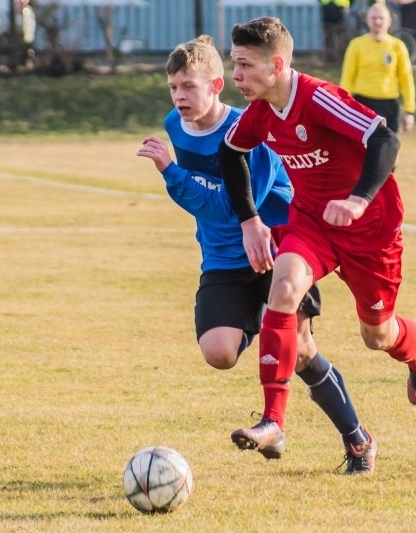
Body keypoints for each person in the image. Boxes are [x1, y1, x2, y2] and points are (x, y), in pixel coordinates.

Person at [137, 35, 376, 475]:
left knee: (300, 351)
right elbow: (210, 205)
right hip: (223, 259)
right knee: (219, 352)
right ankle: (268, 345)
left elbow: (233, 206)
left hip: (281, 249)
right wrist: (175, 174)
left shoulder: (251, 130)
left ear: (216, 85)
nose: (180, 97)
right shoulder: (175, 126)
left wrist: (171, 173)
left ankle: (357, 440)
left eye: (189, 86)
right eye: (173, 88)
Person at [218, 17, 416, 472]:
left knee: (378, 335)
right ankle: (273, 420)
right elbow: (231, 153)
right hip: (312, 224)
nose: (236, 76)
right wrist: (250, 221)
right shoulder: (261, 111)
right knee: (283, 289)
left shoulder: (319, 99)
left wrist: (357, 200)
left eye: (244, 66)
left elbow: (384, 138)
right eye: (233, 64)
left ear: (276, 65)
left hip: (369, 231)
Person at [340, 2, 416, 134]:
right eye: (374, 18)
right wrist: (342, 107)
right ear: (367, 20)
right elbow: (347, 77)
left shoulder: (398, 46)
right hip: (362, 104)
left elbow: (406, 78)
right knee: (362, 149)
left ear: (389, 21)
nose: (378, 21)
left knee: (389, 149)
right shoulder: (356, 45)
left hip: (389, 104)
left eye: (381, 18)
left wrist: (409, 110)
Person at [319, 0, 352, 64]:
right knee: (328, 39)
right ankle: (329, 60)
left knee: (340, 39)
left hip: (340, 11)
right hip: (328, 11)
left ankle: (340, 59)